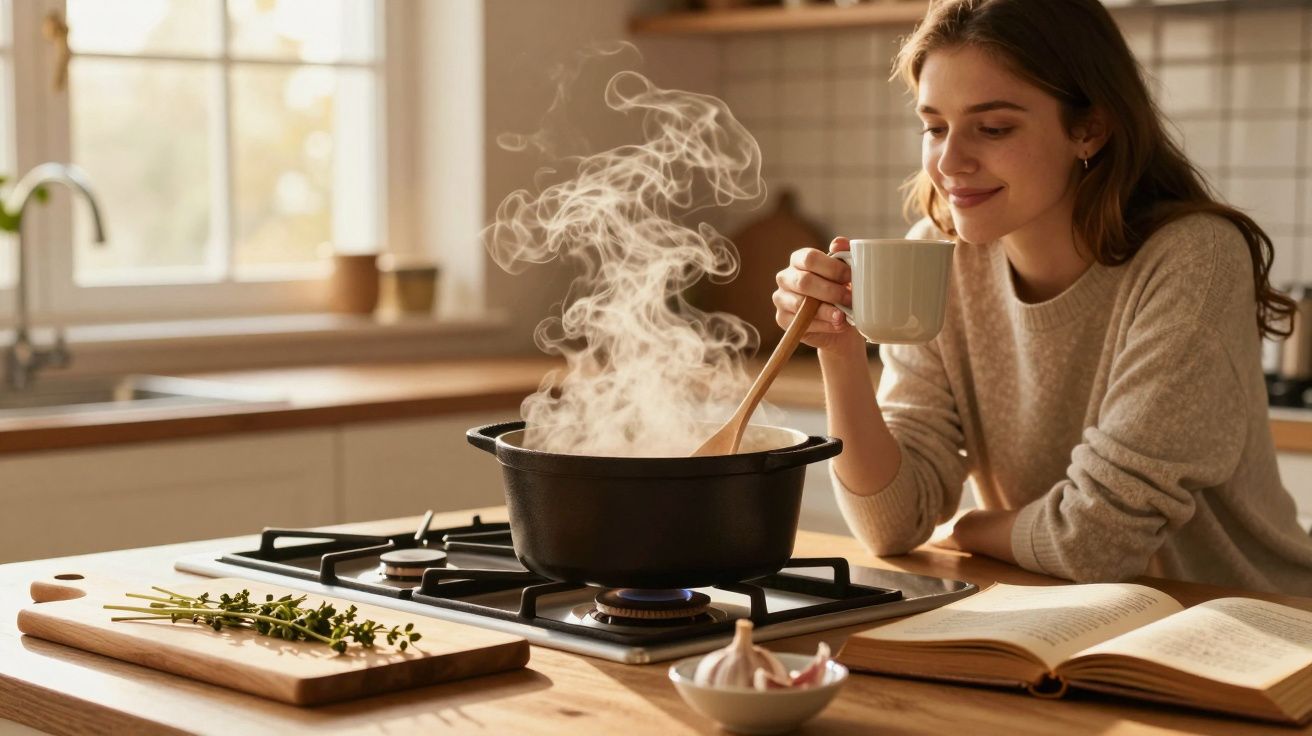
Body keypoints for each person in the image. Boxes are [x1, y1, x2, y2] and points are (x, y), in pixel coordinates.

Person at [772, 0, 1312, 595]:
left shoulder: (1193, 257)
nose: (950, 161)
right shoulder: (937, 258)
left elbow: (1096, 541)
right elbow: (892, 524)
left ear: (1089, 129)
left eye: (994, 127)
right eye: (934, 126)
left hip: (1245, 631)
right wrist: (837, 348)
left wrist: (976, 528)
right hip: (1066, 624)